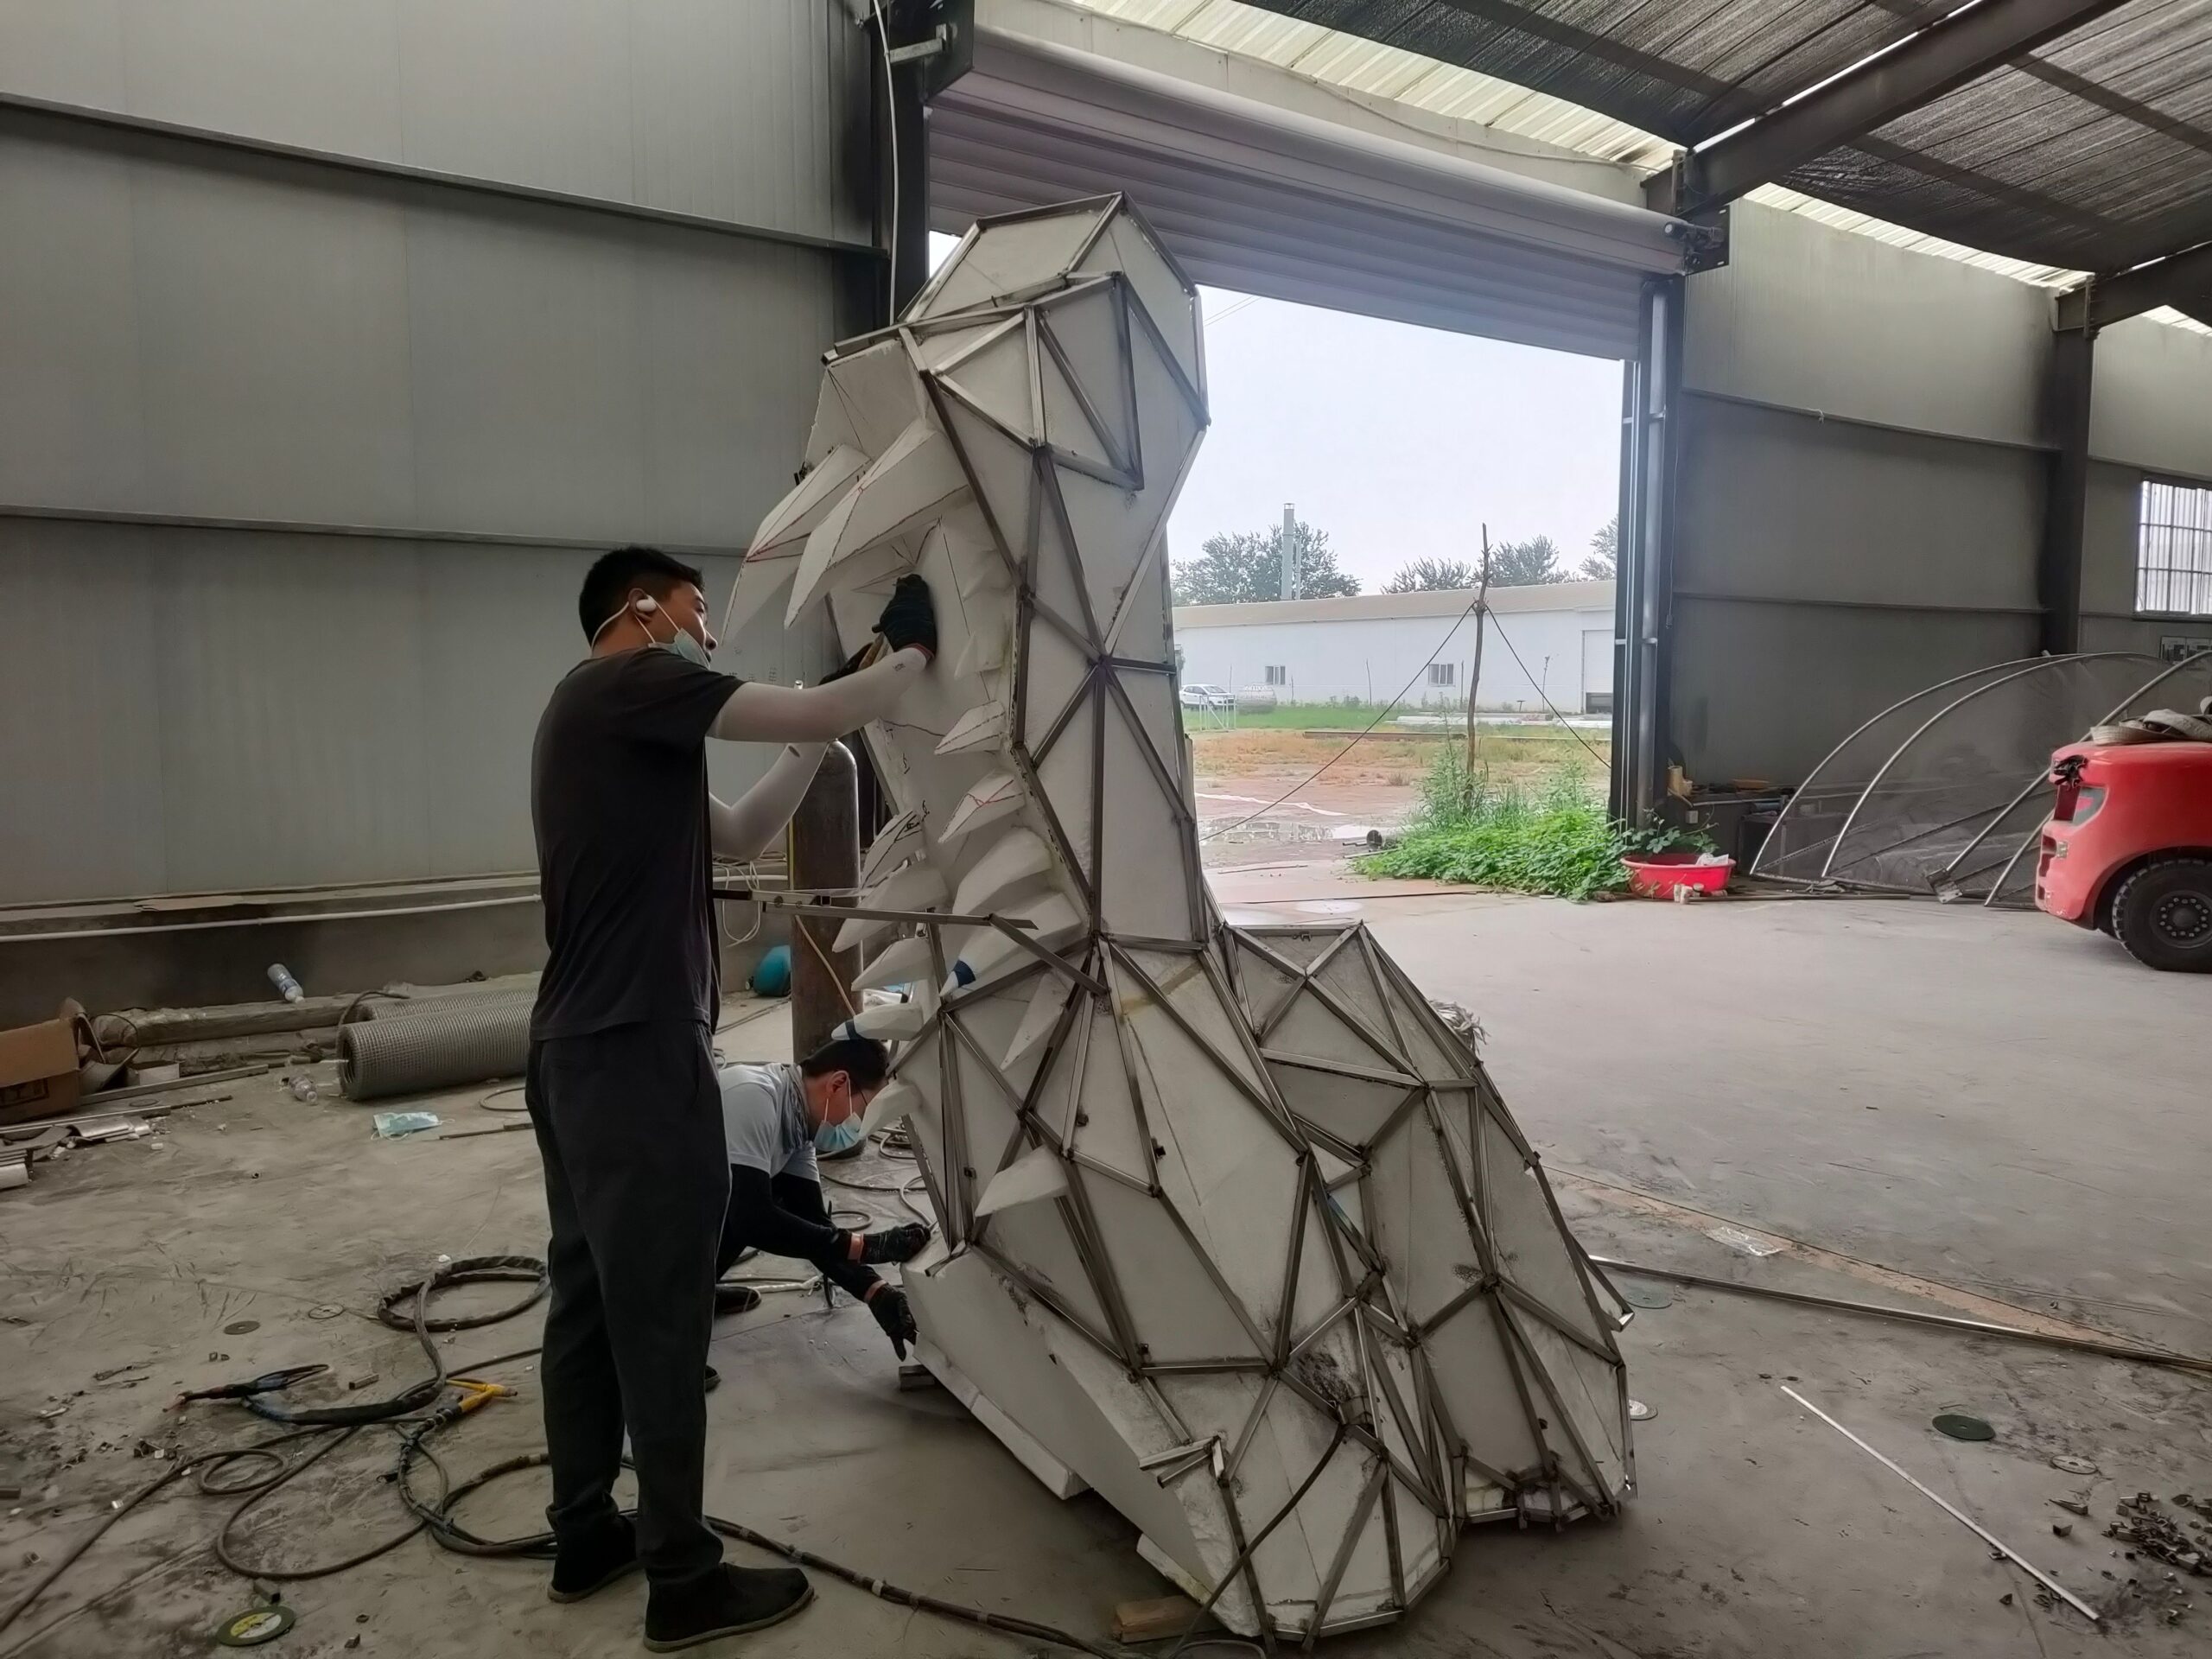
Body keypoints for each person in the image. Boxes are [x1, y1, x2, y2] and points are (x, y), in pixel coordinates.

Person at [526, 544, 934, 1651]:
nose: (707, 636)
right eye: (696, 612)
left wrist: (820, 737)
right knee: (662, 1314)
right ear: (641, 608)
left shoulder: (602, 727)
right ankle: (683, 1577)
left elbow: (747, 831)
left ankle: (586, 1534)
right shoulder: (629, 680)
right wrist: (905, 653)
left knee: (588, 1300)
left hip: (574, 1050)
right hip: (634, 1049)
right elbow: (825, 704)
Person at [709, 1036, 931, 1380]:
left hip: (676, 1208)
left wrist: (874, 1290)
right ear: (838, 1084)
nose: (862, 1129)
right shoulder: (753, 1097)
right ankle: (655, 1331)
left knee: (765, 1202)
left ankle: (696, 1293)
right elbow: (751, 1219)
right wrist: (864, 1245)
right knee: (746, 1207)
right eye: (865, 1113)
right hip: (639, 1218)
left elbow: (811, 1222)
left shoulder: (797, 1127)